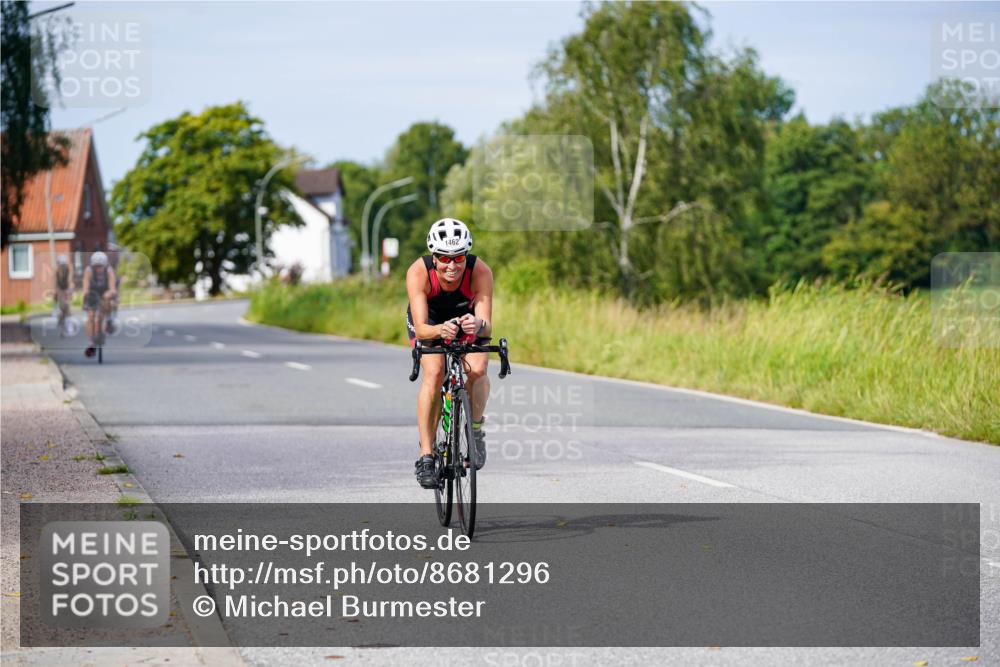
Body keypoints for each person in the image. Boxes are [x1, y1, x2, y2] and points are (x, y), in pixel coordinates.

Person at [406, 218, 494, 488]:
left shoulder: (480, 272)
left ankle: (475, 431)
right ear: (434, 256)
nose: (452, 266)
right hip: (430, 320)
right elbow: (421, 329)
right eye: (444, 258)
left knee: (477, 370)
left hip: (466, 316)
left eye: (458, 258)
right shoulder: (419, 272)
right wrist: (439, 330)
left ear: (466, 255)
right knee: (434, 373)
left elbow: (486, 324)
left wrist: (477, 324)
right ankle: (426, 456)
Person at [82, 251, 117, 358]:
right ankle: (91, 340)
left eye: (101, 266)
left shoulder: (109, 271)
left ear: (105, 265)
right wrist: (85, 300)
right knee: (91, 316)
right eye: (96, 266)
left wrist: (109, 293)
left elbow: (113, 289)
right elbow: (85, 288)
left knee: (104, 312)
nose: (99, 269)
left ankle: (109, 320)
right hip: (92, 294)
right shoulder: (88, 271)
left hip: (105, 294)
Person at [53, 255, 73, 336]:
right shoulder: (56, 271)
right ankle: (55, 308)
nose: (62, 267)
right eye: (61, 265)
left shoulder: (68, 270)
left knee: (67, 306)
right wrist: (56, 291)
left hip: (66, 289)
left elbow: (70, 280)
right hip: (60, 289)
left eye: (63, 265)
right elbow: (55, 283)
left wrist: (69, 290)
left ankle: (68, 325)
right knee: (62, 306)